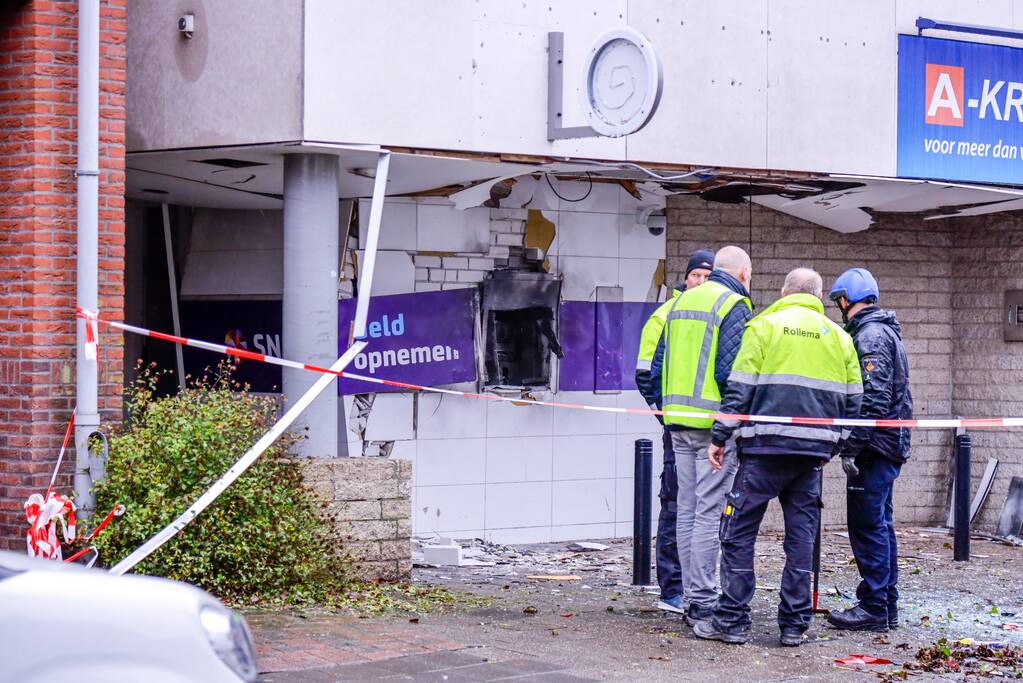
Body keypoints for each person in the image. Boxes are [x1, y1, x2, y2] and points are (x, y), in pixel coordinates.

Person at [694, 268, 862, 647]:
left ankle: (732, 621)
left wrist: (720, 436)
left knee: (737, 533)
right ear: (818, 296)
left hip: (763, 453)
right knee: (801, 539)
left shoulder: (764, 326)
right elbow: (855, 403)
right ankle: (794, 625)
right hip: (810, 459)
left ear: (785, 291)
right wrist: (835, 447)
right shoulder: (838, 336)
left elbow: (739, 389)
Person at [659, 246, 754, 626]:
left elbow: (658, 362)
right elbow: (732, 374)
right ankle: (701, 598)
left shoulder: (680, 303)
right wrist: (726, 428)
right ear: (743, 273)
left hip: (677, 420)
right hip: (711, 428)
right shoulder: (733, 304)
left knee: (686, 510)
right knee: (707, 513)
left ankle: (688, 595)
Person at [826, 268, 913, 633]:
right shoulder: (881, 331)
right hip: (884, 445)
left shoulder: (872, 336)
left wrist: (851, 446)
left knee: (867, 526)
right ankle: (885, 604)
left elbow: (873, 400)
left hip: (874, 448)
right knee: (881, 525)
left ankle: (874, 606)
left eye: (839, 301)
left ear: (847, 299)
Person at [635, 249, 715, 613]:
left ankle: (698, 584)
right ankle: (673, 587)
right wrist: (666, 417)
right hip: (679, 429)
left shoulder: (718, 311)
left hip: (710, 431)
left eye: (707, 275)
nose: (701, 281)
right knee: (675, 504)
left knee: (703, 506)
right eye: (696, 275)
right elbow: (645, 372)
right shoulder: (666, 314)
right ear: (686, 278)